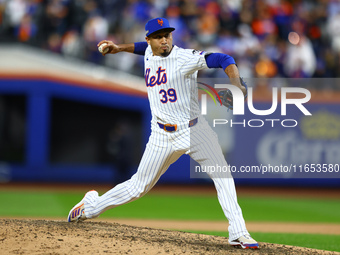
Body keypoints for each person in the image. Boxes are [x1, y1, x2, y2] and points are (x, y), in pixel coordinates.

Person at [67, 17, 259, 249]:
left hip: (195, 131)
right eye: (158, 37)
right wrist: (120, 48)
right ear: (149, 40)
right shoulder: (149, 52)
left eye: (167, 35)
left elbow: (222, 58)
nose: (165, 40)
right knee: (138, 187)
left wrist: (236, 82)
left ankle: (238, 232)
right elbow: (141, 48)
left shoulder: (184, 58)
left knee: (223, 175)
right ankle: (90, 207)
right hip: (161, 135)